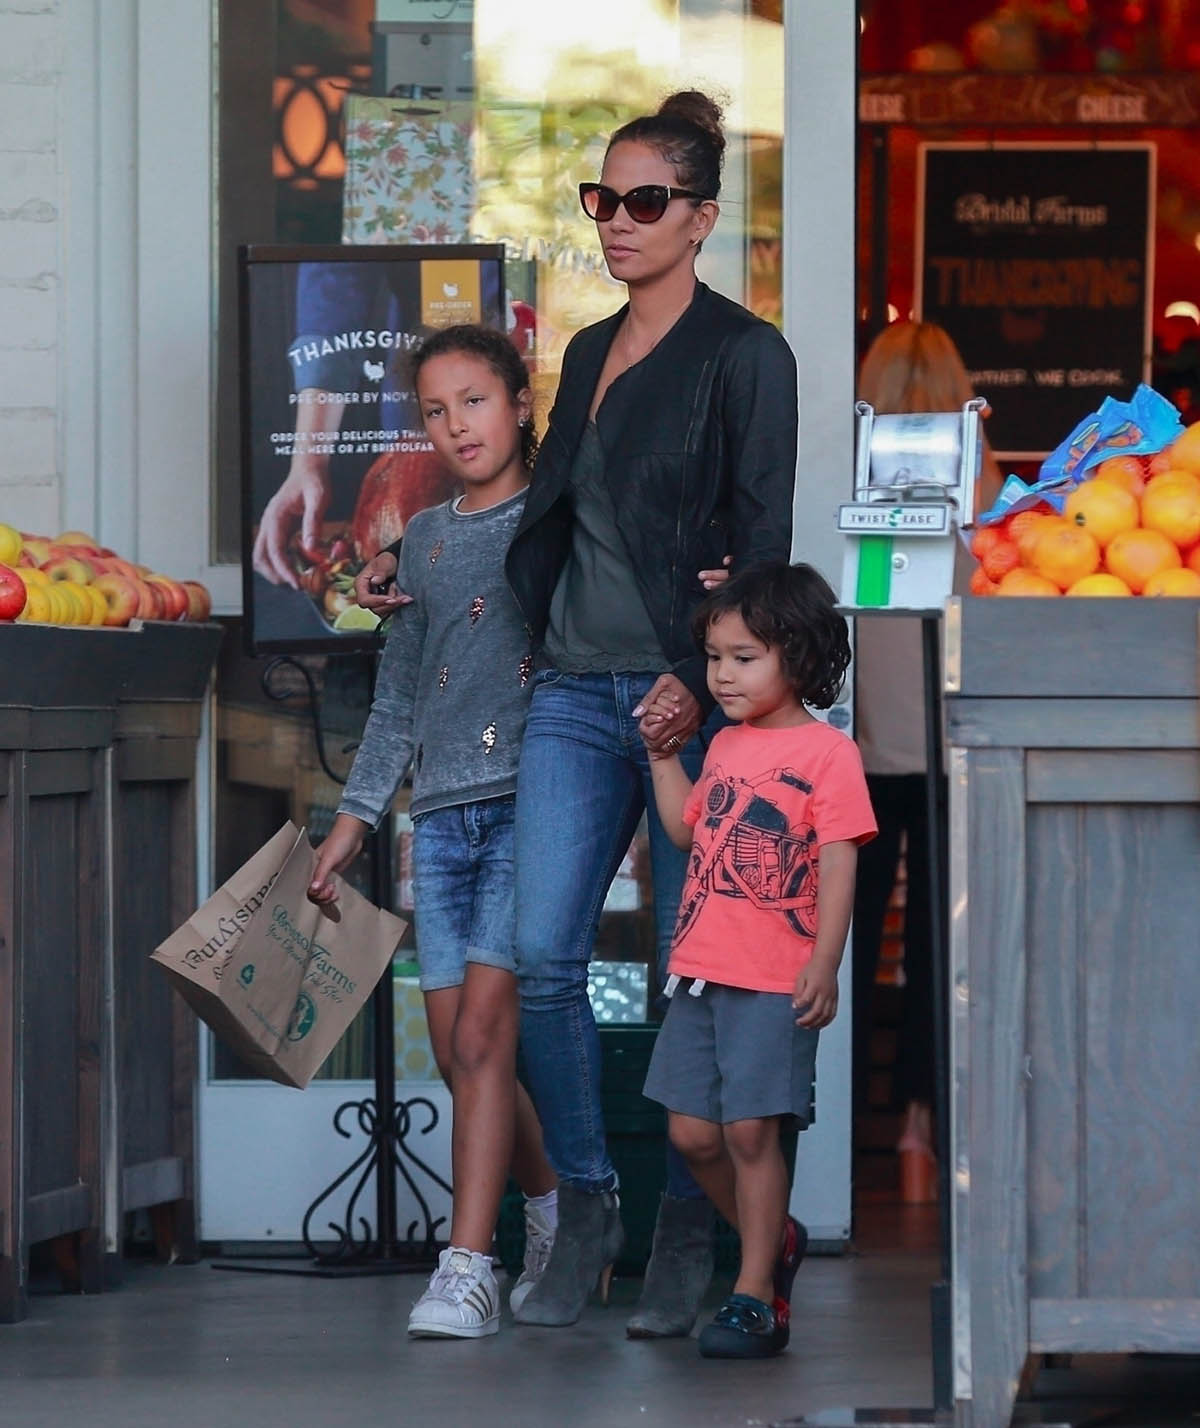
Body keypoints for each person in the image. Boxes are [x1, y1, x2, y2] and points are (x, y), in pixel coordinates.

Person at [356, 90, 798, 1335]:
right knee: (546, 959)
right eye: (603, 200)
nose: (616, 221)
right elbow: (538, 519)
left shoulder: (747, 356)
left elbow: (759, 545)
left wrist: (691, 670)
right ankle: (591, 1202)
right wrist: (408, 572)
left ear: (703, 217)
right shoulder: (591, 354)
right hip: (569, 692)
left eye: (644, 201)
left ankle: (689, 1237)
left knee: (686, 972)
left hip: (684, 701)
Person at [307, 324, 557, 1340]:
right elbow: (399, 699)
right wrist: (355, 820)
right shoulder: (421, 541)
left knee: (487, 1035)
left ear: (523, 405)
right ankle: (559, 1209)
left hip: (532, 804)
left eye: (477, 400)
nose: (459, 424)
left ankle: (468, 1266)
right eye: (437, 410)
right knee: (461, 1050)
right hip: (440, 819)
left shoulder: (557, 519)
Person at [640, 562, 876, 1358]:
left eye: (744, 657)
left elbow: (841, 860)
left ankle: (752, 1295)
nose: (722, 674)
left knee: (749, 1133)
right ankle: (771, 1237)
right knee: (693, 1135)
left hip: (775, 978)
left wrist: (825, 961)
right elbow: (683, 833)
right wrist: (661, 756)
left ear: (799, 657)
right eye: (714, 657)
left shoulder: (828, 752)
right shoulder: (728, 743)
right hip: (700, 971)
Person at [851, 320, 1002, 1202]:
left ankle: (841, 1127)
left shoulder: (856, 477)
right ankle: (921, 1126)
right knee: (942, 948)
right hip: (954, 741)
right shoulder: (978, 484)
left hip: (867, 743)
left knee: (857, 935)